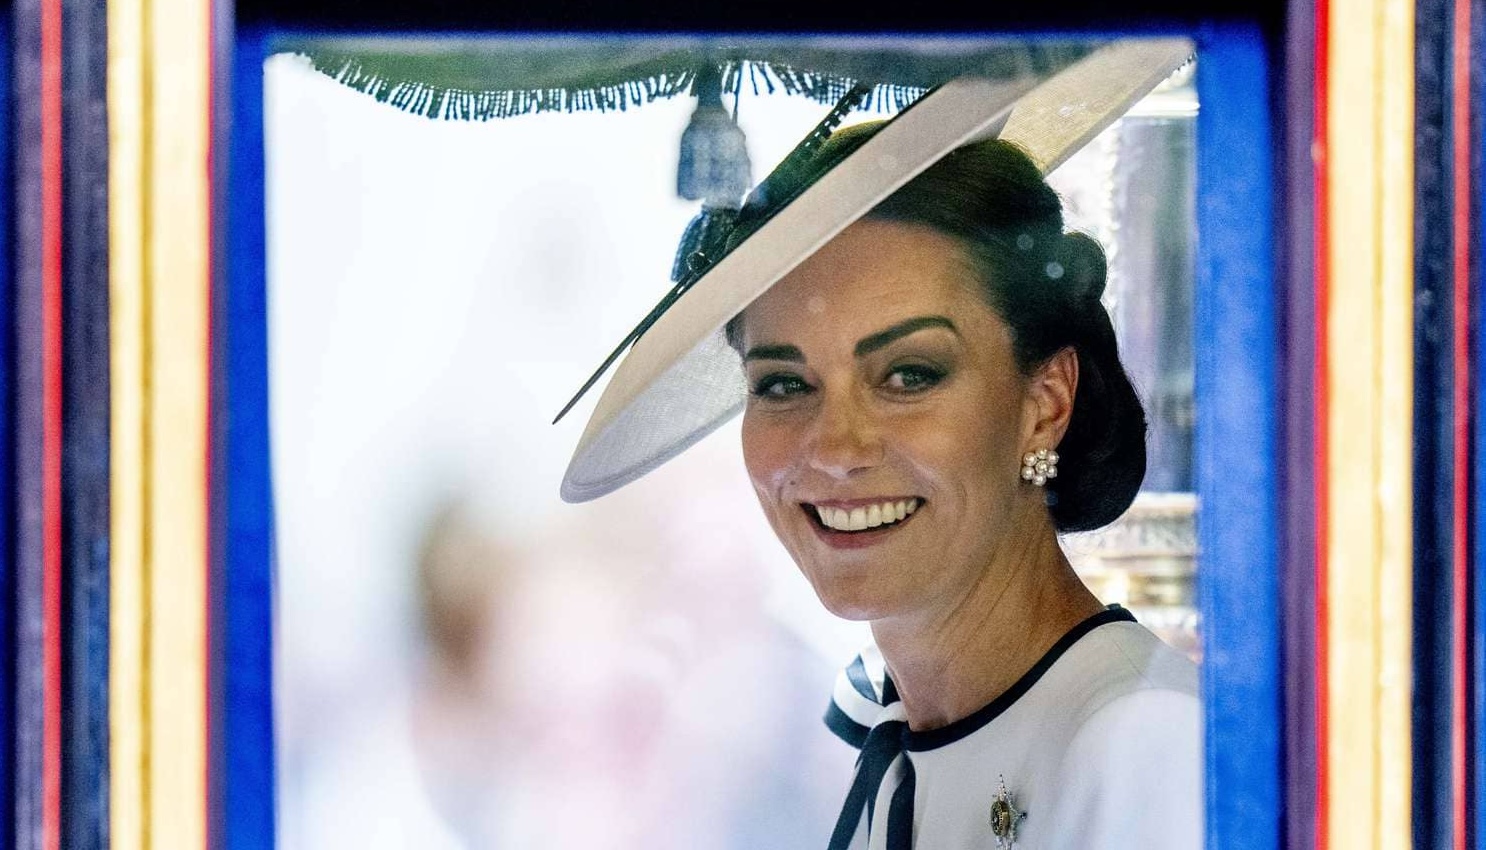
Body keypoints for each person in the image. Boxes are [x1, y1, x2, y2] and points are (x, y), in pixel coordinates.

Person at [559, 41, 1200, 849]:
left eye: (909, 374)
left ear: (1045, 403)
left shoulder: (1144, 746)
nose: (835, 448)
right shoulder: (892, 761)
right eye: (784, 385)